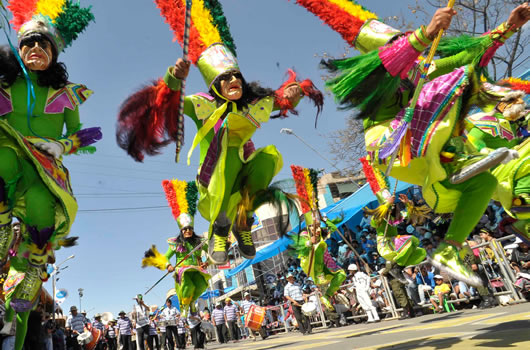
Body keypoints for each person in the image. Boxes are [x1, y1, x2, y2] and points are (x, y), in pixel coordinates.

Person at [296, 0, 530, 286]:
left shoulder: (422, 70)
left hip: (419, 158)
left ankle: (450, 248)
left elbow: (469, 56)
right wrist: (427, 32)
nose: (414, 53)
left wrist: (509, 26)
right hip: (387, 145)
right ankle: (453, 161)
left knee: (483, 182)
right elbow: (391, 61)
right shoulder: (378, 72)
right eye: (405, 46)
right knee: (439, 92)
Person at [117, 0, 323, 266]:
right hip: (214, 178)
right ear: (215, 85)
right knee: (227, 157)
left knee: (269, 158)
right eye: (226, 78)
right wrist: (174, 78)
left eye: (236, 76)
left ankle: (242, 222)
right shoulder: (203, 104)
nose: (233, 81)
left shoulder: (252, 105)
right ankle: (220, 229)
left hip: (243, 172)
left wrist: (295, 90)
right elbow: (168, 103)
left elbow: (282, 97)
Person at [0, 3, 100, 348]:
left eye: (44, 45)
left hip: (43, 171)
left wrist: (60, 145)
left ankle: (16, 320)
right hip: (6, 156)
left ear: (54, 54)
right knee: (3, 160)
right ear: (18, 50)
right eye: (29, 44)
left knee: (37, 238)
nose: (36, 49)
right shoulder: (2, 86)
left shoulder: (68, 94)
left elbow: (81, 136)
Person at [143, 180, 210, 318]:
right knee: (189, 286)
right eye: (185, 229)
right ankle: (184, 306)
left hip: (196, 269)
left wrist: (207, 262)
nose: (187, 231)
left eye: (190, 229)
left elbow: (212, 253)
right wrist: (168, 265)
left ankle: (192, 303)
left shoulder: (200, 242)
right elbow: (165, 257)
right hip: (182, 270)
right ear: (181, 230)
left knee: (201, 285)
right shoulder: (175, 243)